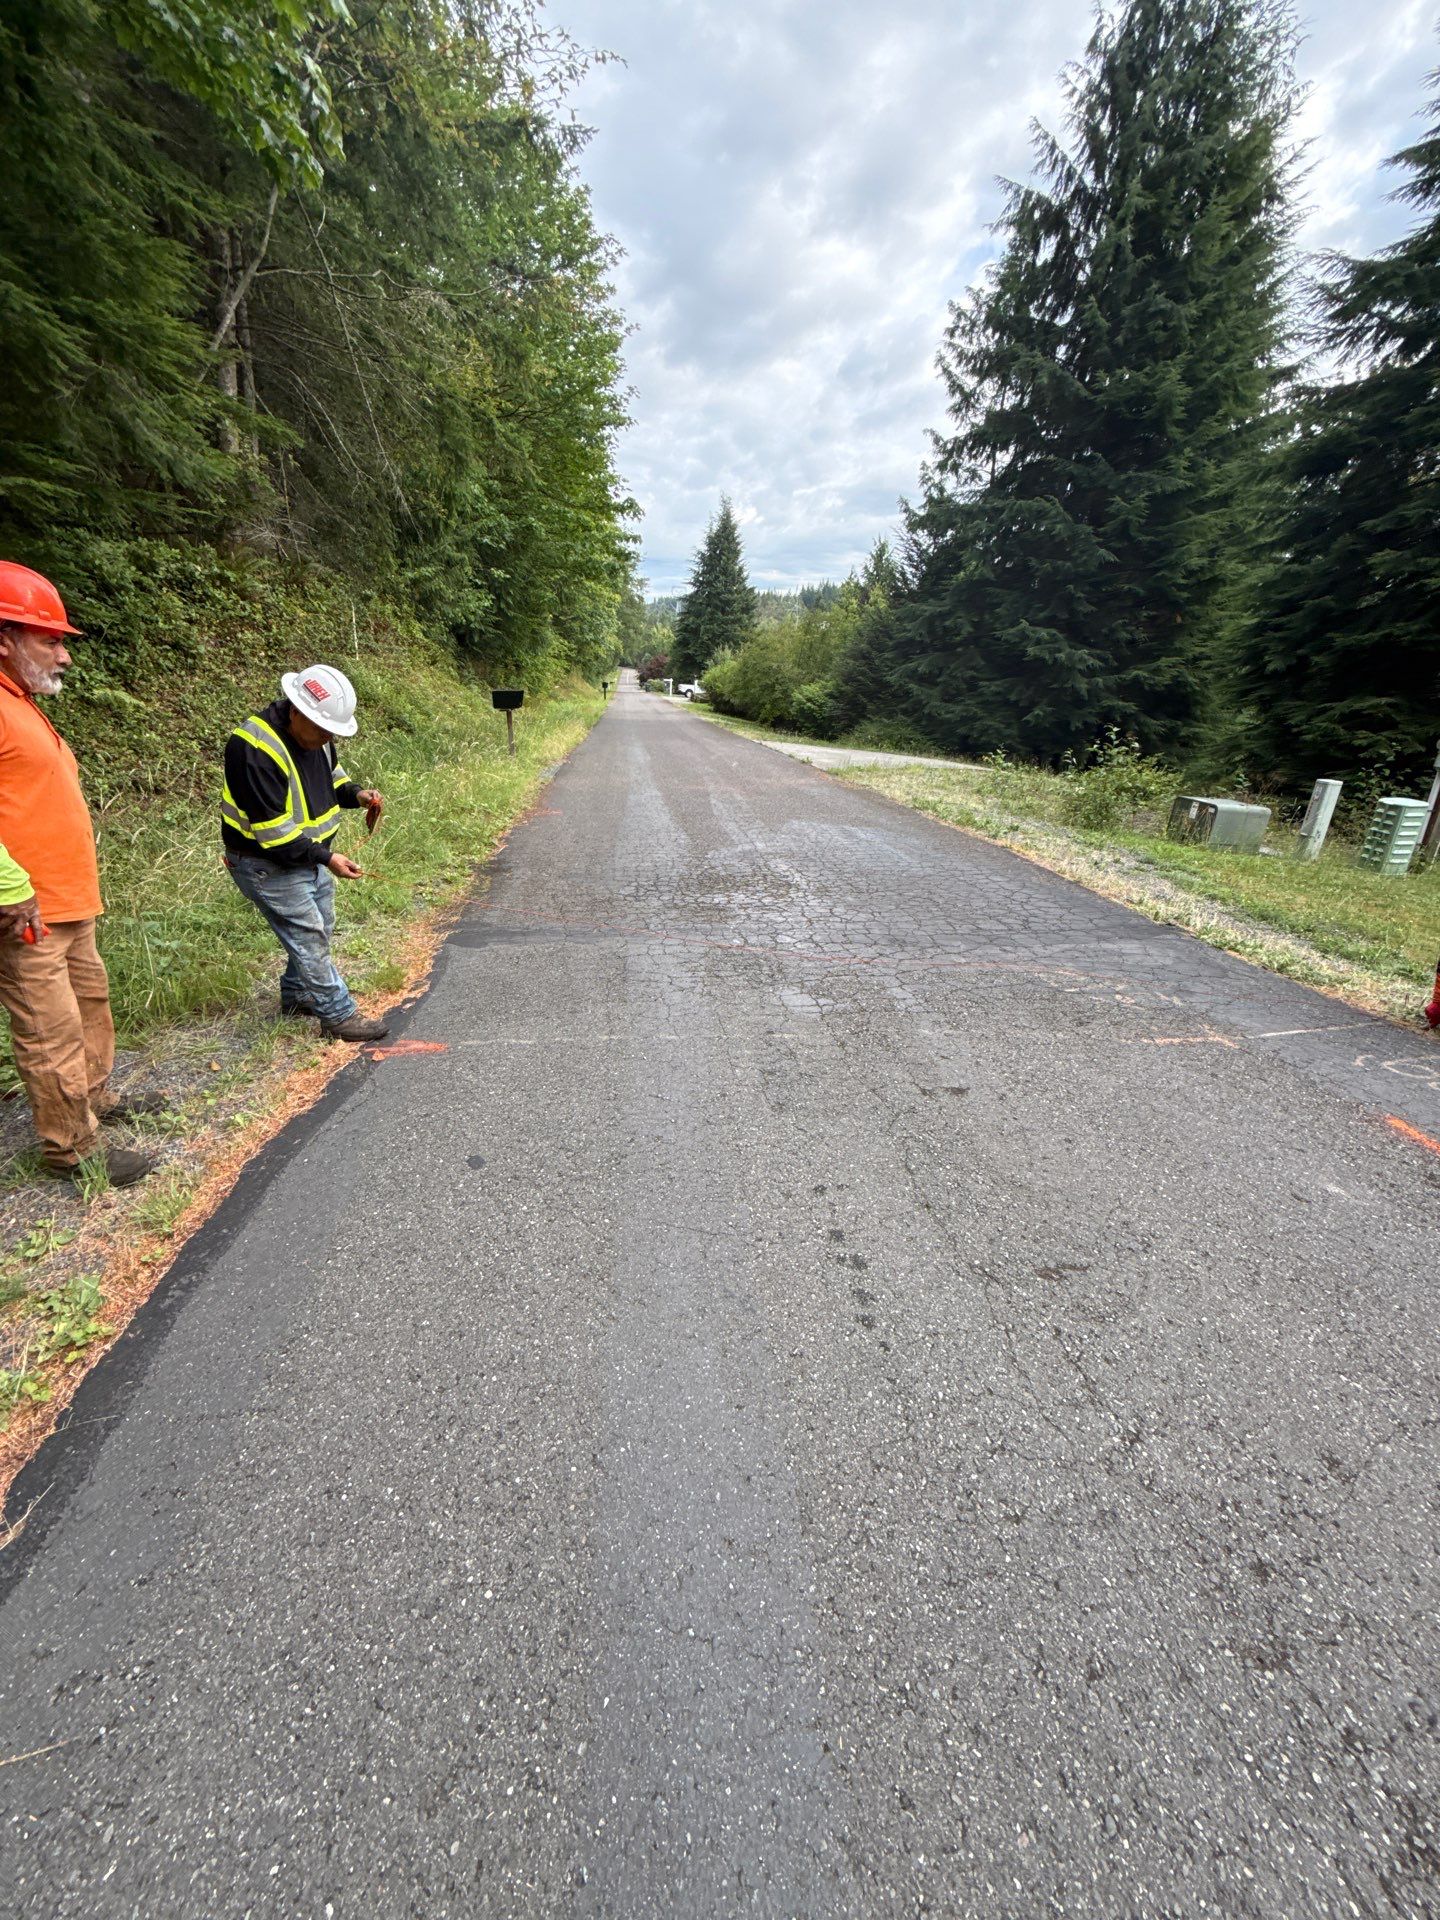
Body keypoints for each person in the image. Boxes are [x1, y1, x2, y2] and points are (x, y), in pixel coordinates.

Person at [0, 563, 159, 1187]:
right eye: (51, 640)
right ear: (4, 638)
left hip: (67, 903)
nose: (64, 655)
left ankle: (97, 1100)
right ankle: (72, 1150)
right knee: (50, 1028)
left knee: (89, 1006)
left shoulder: (23, 704)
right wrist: (11, 890)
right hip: (26, 910)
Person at [221, 665, 390, 1043]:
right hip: (266, 863)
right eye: (322, 730)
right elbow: (273, 833)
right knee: (308, 936)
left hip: (307, 857)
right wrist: (328, 858)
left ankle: (299, 996)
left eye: (331, 731)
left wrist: (359, 795)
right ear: (297, 710)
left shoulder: (318, 735)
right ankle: (338, 1015)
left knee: (321, 925)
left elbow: (334, 779)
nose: (327, 738)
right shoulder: (254, 749)